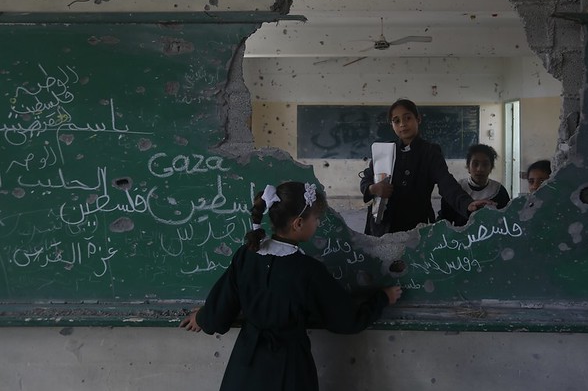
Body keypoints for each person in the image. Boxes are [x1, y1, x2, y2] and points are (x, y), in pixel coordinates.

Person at [180, 181, 402, 391]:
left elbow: (221, 309)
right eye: (316, 219)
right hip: (288, 370)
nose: (318, 223)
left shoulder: (246, 255)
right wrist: (383, 298)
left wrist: (201, 318)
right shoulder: (308, 271)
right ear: (298, 223)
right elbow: (346, 320)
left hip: (245, 367)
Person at [360, 98, 492, 235]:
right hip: (381, 226)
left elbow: (446, 183)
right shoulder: (384, 151)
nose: (403, 124)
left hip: (414, 226)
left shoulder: (430, 152)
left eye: (407, 118)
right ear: (392, 124)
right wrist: (373, 188)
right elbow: (366, 180)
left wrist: (467, 204)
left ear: (418, 119)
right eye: (396, 120)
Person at [438, 144, 510, 226]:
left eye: (485, 164)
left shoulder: (499, 191)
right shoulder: (456, 191)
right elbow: (445, 221)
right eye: (475, 164)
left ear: (491, 168)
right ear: (468, 167)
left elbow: (506, 221)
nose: (480, 169)